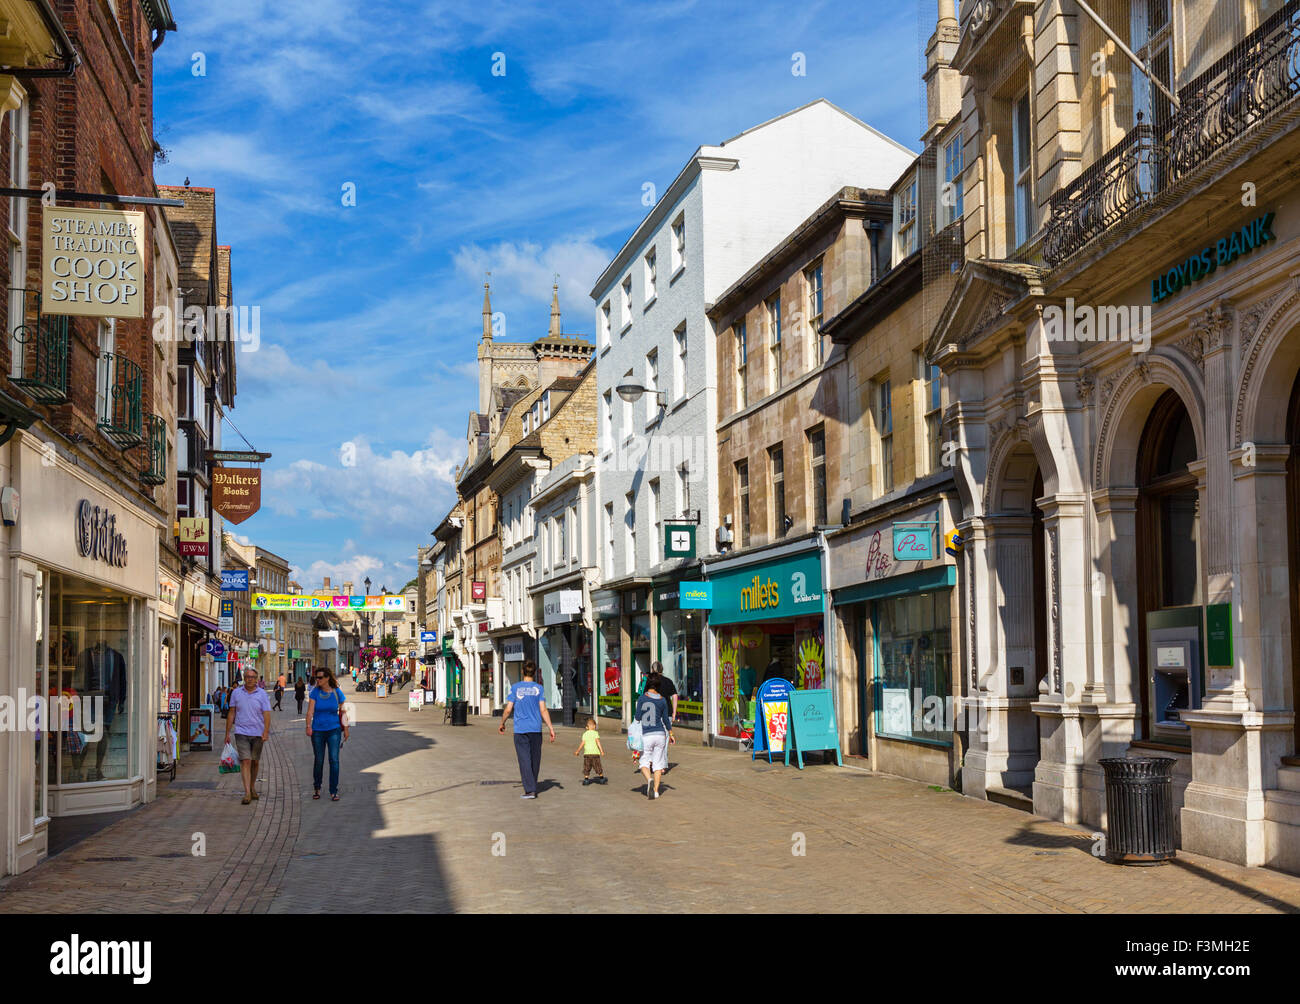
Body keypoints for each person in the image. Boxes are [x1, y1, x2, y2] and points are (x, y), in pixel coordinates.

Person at [498, 661, 555, 799]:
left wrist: (502, 722)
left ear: (523, 672)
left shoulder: (516, 688)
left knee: (524, 759)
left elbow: (508, 709)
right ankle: (532, 786)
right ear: (534, 673)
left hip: (521, 730)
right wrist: (551, 728)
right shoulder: (539, 688)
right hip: (536, 729)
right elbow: (543, 709)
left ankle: (530, 790)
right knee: (535, 759)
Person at [224, 667, 272, 805]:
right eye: (248, 676)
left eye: (252, 677)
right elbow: (231, 712)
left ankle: (252, 787)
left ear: (256, 679)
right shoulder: (236, 693)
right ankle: (246, 793)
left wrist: (266, 731)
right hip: (241, 732)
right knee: (246, 761)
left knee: (255, 762)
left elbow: (267, 713)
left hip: (258, 733)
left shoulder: (262, 694)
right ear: (244, 678)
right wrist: (227, 732)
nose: (250, 679)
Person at [306, 667, 349, 801]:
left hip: (334, 730)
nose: (317, 680)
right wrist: (308, 726)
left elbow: (343, 711)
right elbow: (310, 712)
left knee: (334, 760)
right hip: (317, 731)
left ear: (327, 678)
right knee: (319, 760)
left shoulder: (337, 692)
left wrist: (346, 729)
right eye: (316, 677)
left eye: (320, 678)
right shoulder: (315, 692)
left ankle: (333, 790)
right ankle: (317, 787)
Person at [636, 672, 674, 800]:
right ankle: (656, 791)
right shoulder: (662, 700)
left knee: (643, 762)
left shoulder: (642, 698)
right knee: (658, 764)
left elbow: (637, 717)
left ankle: (649, 779)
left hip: (647, 735)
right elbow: (665, 719)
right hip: (660, 735)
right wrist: (671, 733)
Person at [574, 717, 605, 785]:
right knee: (597, 766)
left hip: (587, 754)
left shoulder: (585, 734)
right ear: (594, 726)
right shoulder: (595, 733)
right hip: (595, 754)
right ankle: (602, 778)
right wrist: (601, 751)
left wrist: (577, 751)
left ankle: (586, 779)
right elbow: (598, 742)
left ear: (586, 727)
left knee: (587, 766)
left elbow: (582, 743)